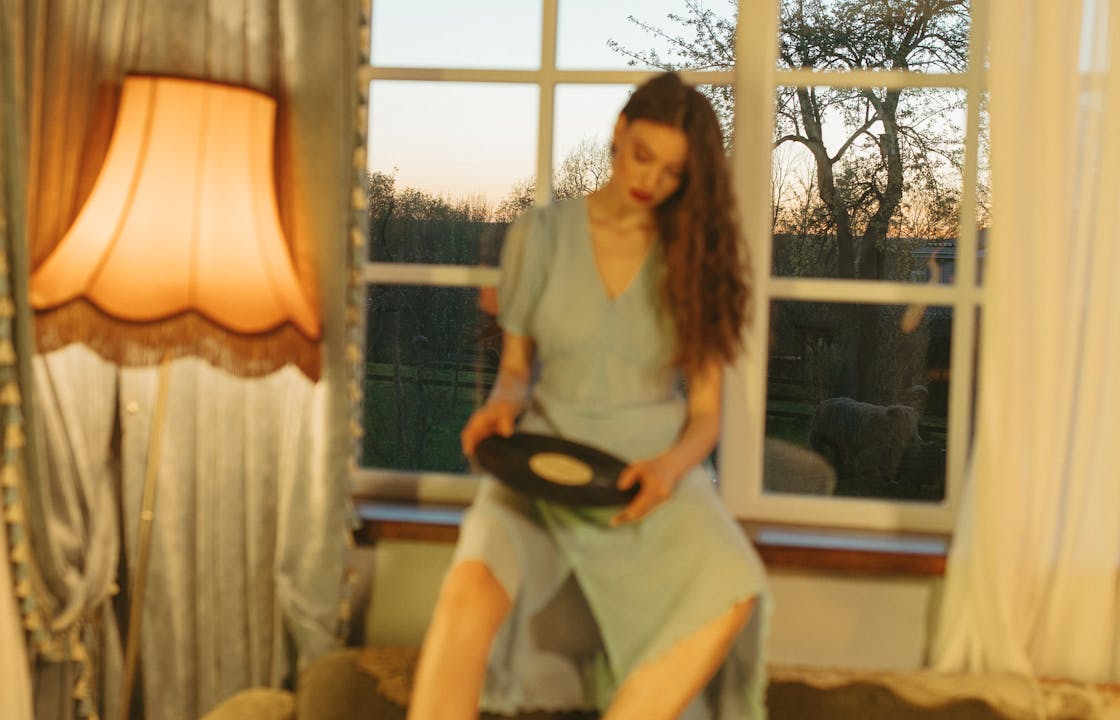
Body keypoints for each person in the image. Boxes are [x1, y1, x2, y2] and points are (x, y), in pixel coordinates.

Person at [407, 72, 770, 720]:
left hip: (648, 463)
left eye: (672, 171)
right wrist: (501, 406)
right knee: (467, 591)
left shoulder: (696, 257)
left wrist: (667, 470)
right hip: (544, 447)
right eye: (643, 155)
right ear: (619, 133)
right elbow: (516, 371)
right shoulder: (538, 236)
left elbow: (708, 414)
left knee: (733, 588)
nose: (650, 179)